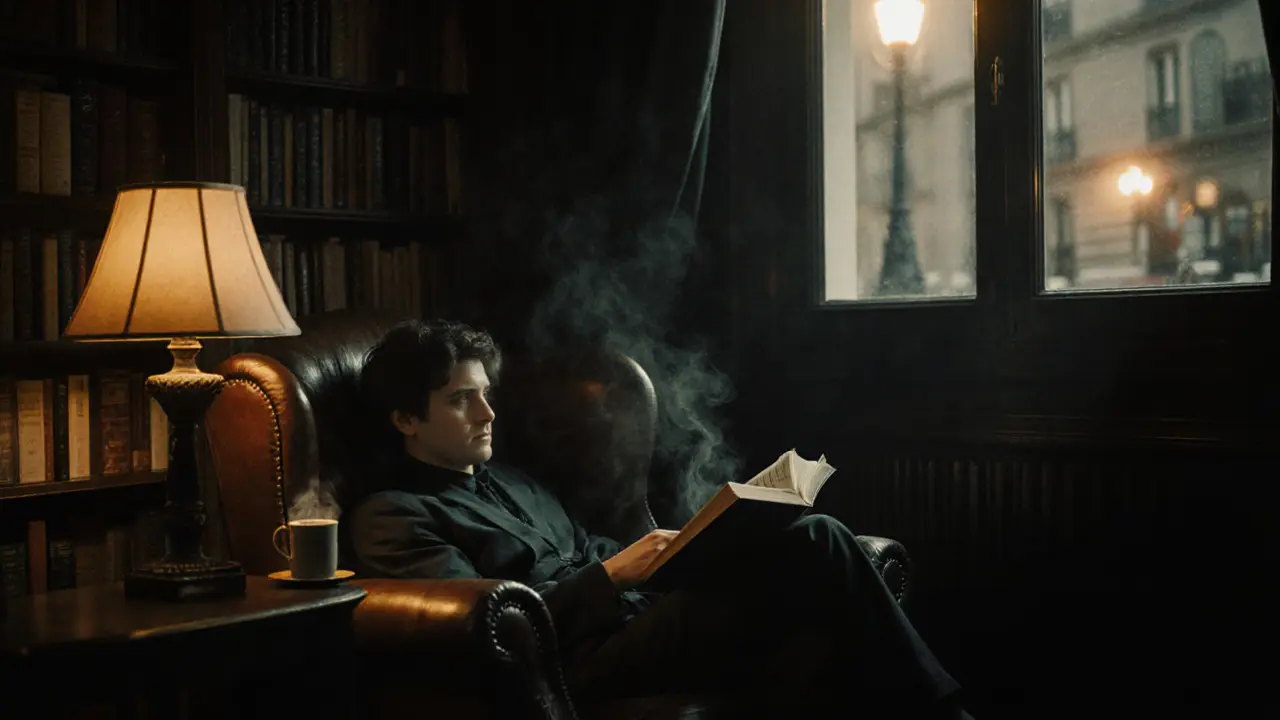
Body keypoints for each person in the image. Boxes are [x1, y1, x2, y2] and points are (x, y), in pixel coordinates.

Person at [349, 319, 971, 719]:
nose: (487, 412)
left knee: (813, 535)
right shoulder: (394, 515)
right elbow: (482, 628)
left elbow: (587, 544)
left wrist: (680, 550)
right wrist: (611, 577)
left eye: (486, 393)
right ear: (406, 418)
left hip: (640, 614)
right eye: (461, 399)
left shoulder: (516, 480)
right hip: (579, 660)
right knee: (820, 555)